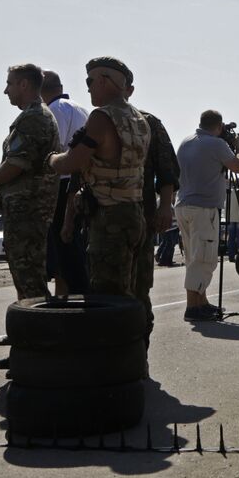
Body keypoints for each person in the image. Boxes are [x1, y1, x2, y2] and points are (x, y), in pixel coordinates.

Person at [49, 57, 151, 299]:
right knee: (133, 293)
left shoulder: (101, 118)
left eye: (90, 80)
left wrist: (51, 159)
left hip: (109, 218)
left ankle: (115, 338)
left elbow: (73, 162)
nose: (88, 87)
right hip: (134, 212)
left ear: (105, 81)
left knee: (107, 295)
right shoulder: (140, 119)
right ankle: (138, 335)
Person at [0, 64, 59, 305]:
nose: (6, 91)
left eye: (9, 84)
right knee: (24, 272)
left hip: (28, 210)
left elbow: (17, 162)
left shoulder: (34, 117)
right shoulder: (33, 115)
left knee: (29, 276)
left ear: (23, 84)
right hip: (25, 209)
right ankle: (28, 323)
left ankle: (38, 331)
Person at [122, 66, 180, 345]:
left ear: (128, 89)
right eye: (91, 80)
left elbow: (168, 170)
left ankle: (136, 354)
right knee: (105, 287)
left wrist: (165, 206)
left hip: (140, 216)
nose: (92, 85)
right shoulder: (97, 122)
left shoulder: (147, 122)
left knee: (139, 285)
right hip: (100, 218)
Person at [176, 110, 239, 320]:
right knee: (203, 259)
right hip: (203, 209)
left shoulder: (187, 141)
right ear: (219, 126)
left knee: (193, 258)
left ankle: (202, 302)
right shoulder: (215, 144)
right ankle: (193, 307)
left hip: (184, 206)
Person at [41, 70, 91, 295]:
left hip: (63, 185)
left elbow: (56, 149)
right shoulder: (81, 108)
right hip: (82, 182)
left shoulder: (54, 110)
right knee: (72, 246)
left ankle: (70, 297)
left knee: (64, 247)